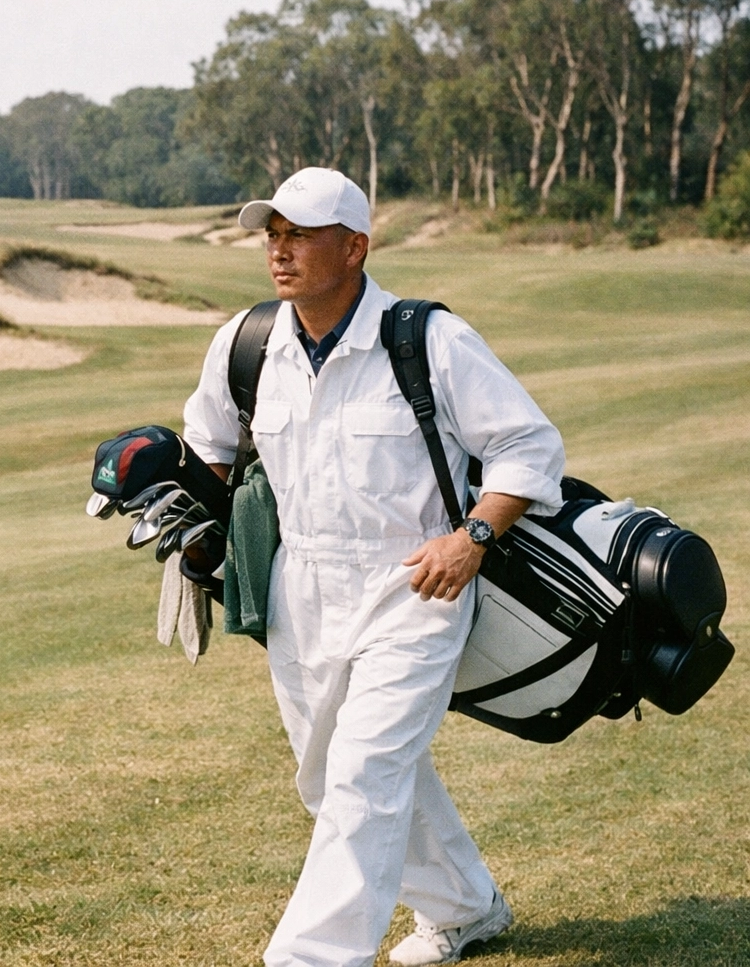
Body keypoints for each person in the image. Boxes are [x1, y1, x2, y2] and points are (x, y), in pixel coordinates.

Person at [182, 167, 565, 967]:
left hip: (416, 584)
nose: (279, 252)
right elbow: (208, 450)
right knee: (331, 775)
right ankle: (465, 908)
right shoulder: (246, 343)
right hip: (298, 587)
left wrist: (473, 537)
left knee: (365, 771)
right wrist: (186, 518)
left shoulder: (429, 339)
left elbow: (527, 447)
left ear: (355, 247)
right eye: (272, 235)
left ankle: (312, 958)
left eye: (300, 235)